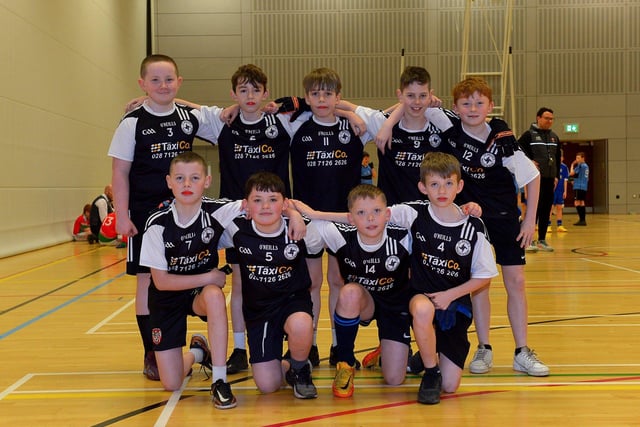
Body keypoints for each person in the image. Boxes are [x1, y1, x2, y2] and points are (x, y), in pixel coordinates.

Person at [378, 76, 549, 377]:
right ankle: (484, 347)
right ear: (455, 107)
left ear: (490, 106)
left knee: (516, 283)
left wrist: (530, 219)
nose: (472, 108)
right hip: (470, 220)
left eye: (479, 103)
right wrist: (388, 124)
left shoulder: (502, 137)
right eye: (466, 103)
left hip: (504, 217)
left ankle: (522, 351)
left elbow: (532, 177)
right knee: (479, 285)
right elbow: (411, 102)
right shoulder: (446, 124)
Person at [108, 54, 218, 381]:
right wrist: (122, 216)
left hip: (184, 215)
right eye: (154, 81)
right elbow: (120, 172)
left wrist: (180, 100)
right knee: (146, 282)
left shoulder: (189, 117)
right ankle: (152, 352)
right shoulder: (132, 122)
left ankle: (188, 345)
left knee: (183, 276)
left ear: (179, 82)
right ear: (142, 85)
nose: (163, 86)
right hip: (144, 215)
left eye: (169, 80)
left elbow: (219, 122)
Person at [139, 152, 242, 409]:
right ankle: (198, 352)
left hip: (199, 294)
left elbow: (262, 203)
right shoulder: (157, 223)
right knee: (171, 383)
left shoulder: (217, 211)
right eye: (180, 178)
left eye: (194, 178)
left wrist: (295, 215)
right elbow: (161, 282)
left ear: (206, 181)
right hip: (166, 297)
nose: (187, 184)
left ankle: (219, 381)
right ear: (169, 182)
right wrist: (209, 275)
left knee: (215, 296)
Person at [292, 184, 413, 398]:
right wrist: (296, 214)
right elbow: (300, 224)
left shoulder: (404, 235)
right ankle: (345, 363)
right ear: (350, 218)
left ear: (387, 214)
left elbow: (438, 215)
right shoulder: (338, 234)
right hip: (363, 301)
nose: (370, 219)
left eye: (376, 212)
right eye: (361, 213)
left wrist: (468, 208)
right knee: (348, 292)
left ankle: (384, 349)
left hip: (396, 306)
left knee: (394, 380)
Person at [287, 67, 370, 367]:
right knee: (309, 282)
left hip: (342, 219)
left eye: (328, 93)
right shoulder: (295, 125)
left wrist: (351, 113)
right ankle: (307, 345)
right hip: (305, 219)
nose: (321, 99)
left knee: (338, 280)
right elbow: (262, 106)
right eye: (315, 93)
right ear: (306, 97)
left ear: (339, 96)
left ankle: (338, 345)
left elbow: (389, 114)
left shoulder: (356, 128)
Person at [222, 171, 324, 399]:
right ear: (246, 204)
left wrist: (296, 215)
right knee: (268, 386)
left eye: (273, 200)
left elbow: (336, 231)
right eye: (257, 200)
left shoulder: (303, 231)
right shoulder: (235, 228)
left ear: (284, 203)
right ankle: (288, 365)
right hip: (259, 311)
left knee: (301, 323)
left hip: (292, 302)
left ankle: (300, 369)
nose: (265, 206)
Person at [339, 66, 450, 205]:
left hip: (430, 218)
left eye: (423, 95)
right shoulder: (382, 122)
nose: (417, 102)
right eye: (410, 95)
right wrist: (348, 114)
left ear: (430, 95)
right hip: (392, 217)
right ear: (400, 95)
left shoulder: (442, 125)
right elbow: (334, 104)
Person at [518, 107, 561, 252]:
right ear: (538, 118)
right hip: (534, 179)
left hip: (549, 179)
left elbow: (557, 158)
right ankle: (527, 241)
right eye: (546, 118)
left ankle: (541, 240)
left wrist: (556, 176)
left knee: (546, 209)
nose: (549, 121)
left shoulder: (554, 137)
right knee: (533, 209)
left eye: (551, 119)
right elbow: (517, 150)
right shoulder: (528, 135)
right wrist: (529, 161)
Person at [551, 151, 569, 232]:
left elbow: (565, 180)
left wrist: (565, 191)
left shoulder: (564, 167)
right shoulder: (552, 166)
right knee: (550, 208)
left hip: (560, 191)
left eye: (561, 157)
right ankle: (548, 225)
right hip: (552, 191)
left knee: (559, 207)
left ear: (563, 158)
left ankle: (559, 225)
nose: (560, 158)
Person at [570, 152, 589, 226]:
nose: (576, 160)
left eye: (578, 158)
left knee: (577, 202)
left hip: (579, 186)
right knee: (582, 202)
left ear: (583, 158)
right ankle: (583, 220)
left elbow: (571, 173)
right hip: (584, 186)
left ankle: (582, 220)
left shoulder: (581, 166)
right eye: (576, 158)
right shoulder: (586, 166)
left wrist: (572, 165)